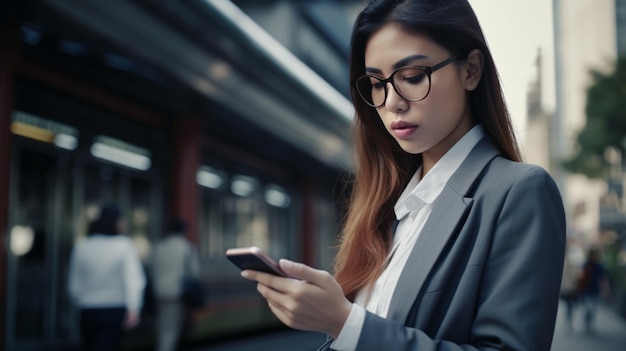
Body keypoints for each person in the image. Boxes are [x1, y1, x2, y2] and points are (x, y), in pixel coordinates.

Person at [239, 1, 566, 350]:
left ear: (471, 70)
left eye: (411, 77)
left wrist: (345, 323)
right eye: (376, 84)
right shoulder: (389, 206)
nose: (392, 101)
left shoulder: (519, 192)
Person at [68, 205, 146, 351]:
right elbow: (133, 279)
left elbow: (74, 283)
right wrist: (134, 308)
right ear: (115, 222)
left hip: (87, 310)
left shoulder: (83, 246)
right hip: (114, 309)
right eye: (122, 221)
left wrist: (81, 300)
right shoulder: (124, 245)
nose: (124, 224)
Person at [151, 218, 202, 351]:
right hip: (176, 294)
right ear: (183, 231)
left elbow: (152, 269)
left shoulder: (159, 246)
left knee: (163, 329)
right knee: (170, 333)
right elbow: (194, 273)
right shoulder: (186, 248)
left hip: (158, 293)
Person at [577, 247, 611, 333]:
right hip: (587, 291)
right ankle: (587, 324)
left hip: (594, 291)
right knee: (588, 308)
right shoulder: (586, 265)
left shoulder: (598, 266)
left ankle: (589, 324)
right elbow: (580, 277)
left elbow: (603, 279)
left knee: (592, 309)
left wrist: (606, 291)